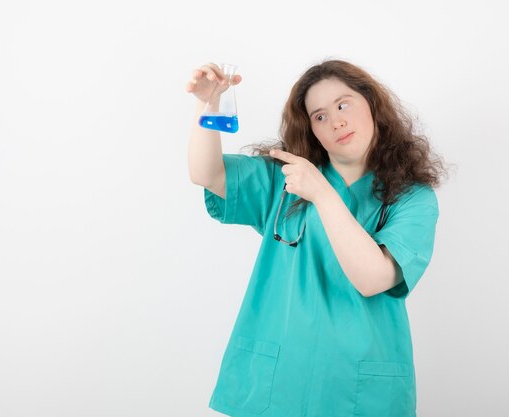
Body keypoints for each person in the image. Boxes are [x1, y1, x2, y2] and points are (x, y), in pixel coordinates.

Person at [185, 59, 447, 417]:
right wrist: (208, 103)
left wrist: (323, 194)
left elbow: (373, 279)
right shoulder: (286, 179)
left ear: (372, 104)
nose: (336, 120)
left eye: (343, 104)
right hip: (279, 382)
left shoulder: (412, 198)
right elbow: (206, 173)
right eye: (319, 116)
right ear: (312, 131)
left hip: (357, 386)